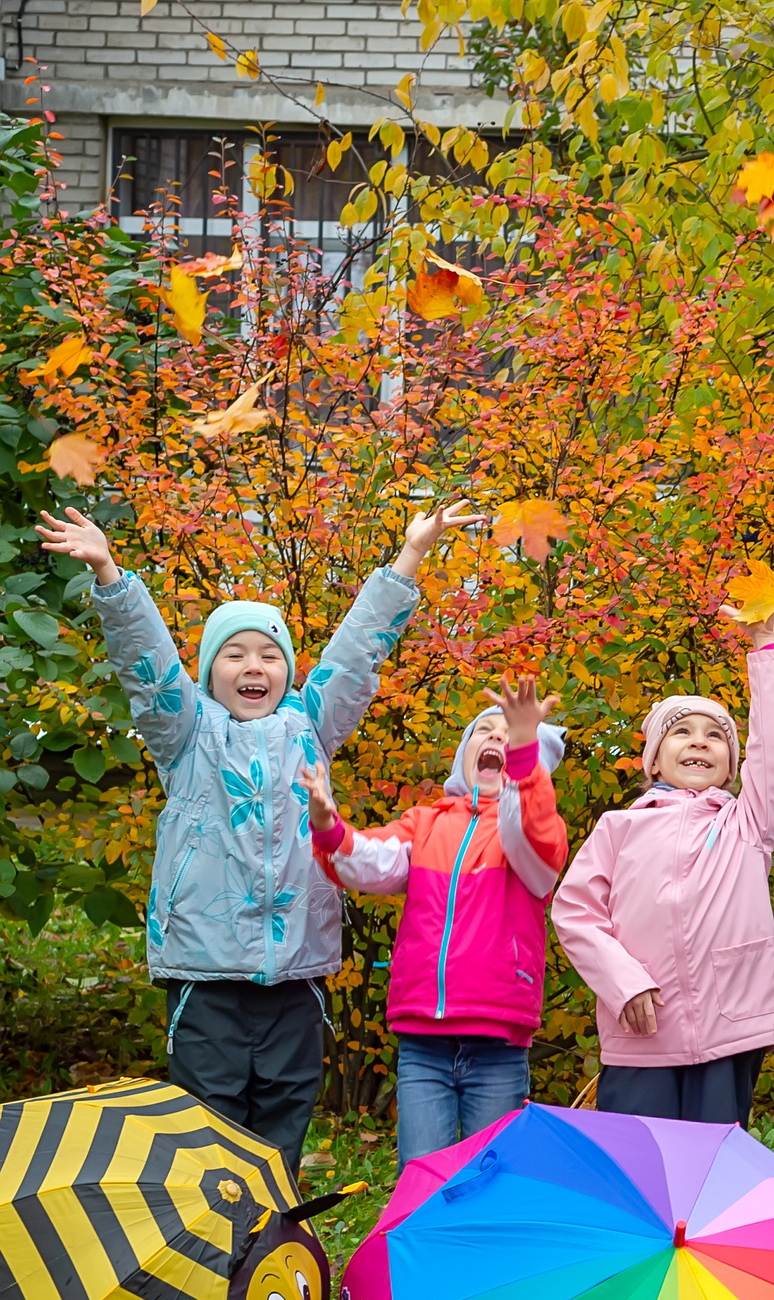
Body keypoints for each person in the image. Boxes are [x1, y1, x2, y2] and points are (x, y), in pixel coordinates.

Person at [35, 501, 477, 1177]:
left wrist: (410, 556)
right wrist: (111, 575)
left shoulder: (311, 726)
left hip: (297, 972)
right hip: (205, 972)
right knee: (209, 1128)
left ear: (288, 672)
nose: (254, 666)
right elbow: (146, 662)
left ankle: (274, 1240)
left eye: (270, 655)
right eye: (235, 654)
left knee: (284, 1122)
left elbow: (357, 653)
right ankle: (213, 1241)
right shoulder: (186, 733)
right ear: (209, 672)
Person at [301, 676, 569, 1165]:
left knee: (490, 1174)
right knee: (422, 1170)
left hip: (498, 1037)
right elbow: (369, 861)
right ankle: (423, 1221)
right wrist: (328, 826)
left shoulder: (534, 835)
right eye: (485, 731)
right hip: (423, 1037)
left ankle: (482, 1225)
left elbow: (528, 825)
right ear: (463, 756)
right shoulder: (426, 823)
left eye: (509, 733)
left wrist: (524, 750)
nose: (497, 737)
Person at [552, 601, 774, 1122]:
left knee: (711, 1160)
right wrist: (624, 983)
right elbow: (575, 913)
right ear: (655, 758)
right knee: (638, 1160)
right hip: (642, 1028)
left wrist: (765, 647)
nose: (699, 742)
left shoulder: (747, 824)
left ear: (732, 766)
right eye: (683, 732)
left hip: (729, 1026)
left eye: (715, 736)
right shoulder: (619, 827)